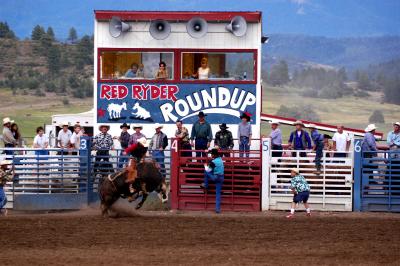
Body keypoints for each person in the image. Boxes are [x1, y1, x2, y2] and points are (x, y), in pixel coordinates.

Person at [201, 148, 224, 213]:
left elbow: (208, 170)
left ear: (214, 155)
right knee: (218, 193)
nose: (211, 155)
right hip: (221, 178)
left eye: (212, 154)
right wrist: (208, 152)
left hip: (216, 177)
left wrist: (205, 166)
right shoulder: (220, 159)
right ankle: (217, 209)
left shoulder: (213, 162)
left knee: (206, 171)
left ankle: (206, 184)